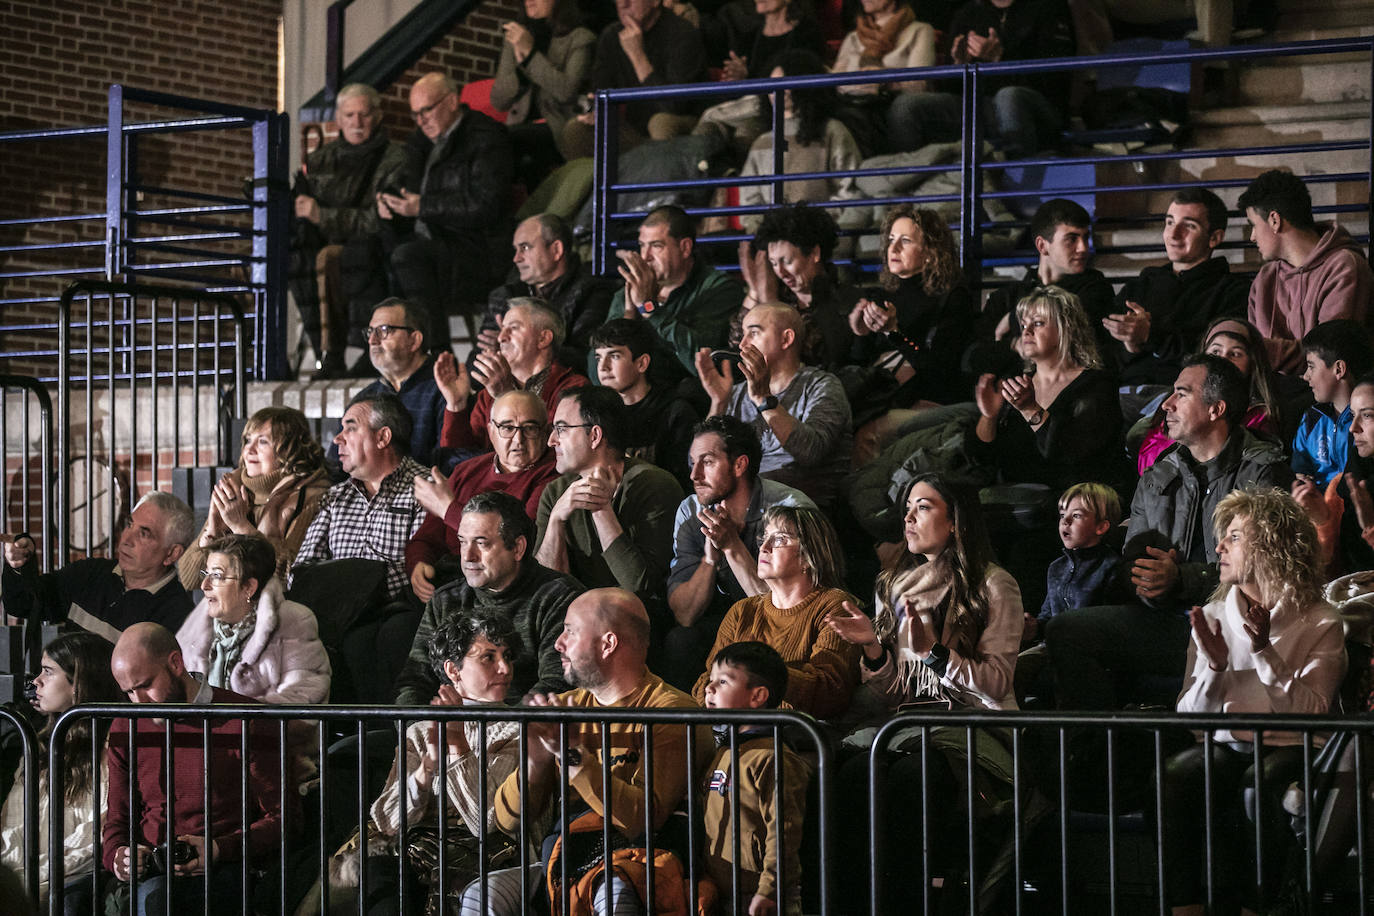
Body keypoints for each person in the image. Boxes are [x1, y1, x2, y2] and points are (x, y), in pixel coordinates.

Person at [1046, 354, 1291, 710]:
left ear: (1215, 409)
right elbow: (1132, 561)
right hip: (1165, 617)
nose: (1167, 404)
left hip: (1234, 624)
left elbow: (1259, 569)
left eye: (1182, 393)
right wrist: (1149, 585)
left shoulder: (1262, 473)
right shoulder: (1159, 475)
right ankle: (1098, 757)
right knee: (1065, 631)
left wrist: (1180, 579)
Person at [825, 473, 1024, 908]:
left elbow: (995, 685)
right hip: (913, 726)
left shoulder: (994, 584)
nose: (909, 518)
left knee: (914, 780)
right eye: (907, 509)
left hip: (974, 731)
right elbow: (900, 692)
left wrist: (935, 653)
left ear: (956, 522)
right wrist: (873, 647)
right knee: (853, 776)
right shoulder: (891, 586)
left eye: (924, 507)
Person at [465, 588, 712, 916]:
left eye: (570, 630)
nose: (558, 643)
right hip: (567, 858)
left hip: (639, 862)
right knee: (480, 897)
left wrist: (573, 755)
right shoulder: (566, 706)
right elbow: (509, 820)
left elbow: (641, 821)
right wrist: (536, 760)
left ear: (608, 644)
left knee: (613, 893)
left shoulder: (671, 712)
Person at [1164, 487, 1346, 913]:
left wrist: (1266, 652)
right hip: (1230, 742)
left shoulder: (1321, 619)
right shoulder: (1211, 618)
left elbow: (1314, 713)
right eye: (1222, 536)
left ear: (1272, 546)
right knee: (1176, 776)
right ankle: (1184, 909)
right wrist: (1214, 668)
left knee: (1257, 786)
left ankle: (1257, 908)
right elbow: (1189, 718)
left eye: (1235, 537)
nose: (1219, 546)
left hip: (1293, 747)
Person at [337, 611, 533, 916]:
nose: (505, 668)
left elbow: (489, 821)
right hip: (416, 849)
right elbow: (387, 820)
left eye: (506, 656)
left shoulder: (518, 728)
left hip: (487, 853)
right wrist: (426, 770)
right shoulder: (420, 730)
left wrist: (458, 745)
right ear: (453, 670)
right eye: (488, 658)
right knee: (379, 871)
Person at [103, 623, 281, 916]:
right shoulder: (126, 724)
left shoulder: (246, 717)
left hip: (228, 868)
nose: (140, 701)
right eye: (129, 692)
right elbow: (117, 821)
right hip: (152, 870)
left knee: (158, 901)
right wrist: (119, 858)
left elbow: (283, 818)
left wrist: (218, 849)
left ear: (175, 662)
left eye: (146, 685)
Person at [663, 415, 815, 689]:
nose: (694, 475)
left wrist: (732, 546)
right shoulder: (691, 511)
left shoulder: (789, 510)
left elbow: (789, 615)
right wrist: (710, 559)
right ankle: (688, 728)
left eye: (707, 462)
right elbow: (685, 614)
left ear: (739, 465)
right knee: (681, 640)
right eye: (692, 463)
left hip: (788, 628)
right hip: (730, 620)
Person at [396, 491, 580, 706]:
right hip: (451, 729)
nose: (468, 556)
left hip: (524, 733)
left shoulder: (559, 597)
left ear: (518, 548)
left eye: (481, 543)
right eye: (463, 542)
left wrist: (499, 734)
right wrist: (417, 727)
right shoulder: (446, 600)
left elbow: (556, 684)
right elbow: (415, 679)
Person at [691, 506, 858, 719]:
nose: (764, 547)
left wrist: (762, 671)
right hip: (735, 731)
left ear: (809, 556)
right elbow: (706, 681)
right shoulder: (742, 611)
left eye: (780, 539)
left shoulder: (833, 607)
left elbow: (830, 693)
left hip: (797, 739)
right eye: (764, 538)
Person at [290, 82, 409, 378]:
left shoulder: (396, 159)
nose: (357, 122)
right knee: (294, 255)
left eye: (364, 115)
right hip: (328, 243)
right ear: (338, 120)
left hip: (374, 245)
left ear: (377, 116)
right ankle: (324, 353)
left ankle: (353, 351)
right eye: (350, 115)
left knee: (338, 257)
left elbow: (381, 219)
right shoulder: (319, 160)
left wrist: (323, 216)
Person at [0, 633, 123, 914]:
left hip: (67, 874)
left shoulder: (111, 750)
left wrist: (29, 873)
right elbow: (15, 825)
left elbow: (94, 838)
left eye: (48, 672)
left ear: (80, 683)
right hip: (32, 869)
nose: (36, 682)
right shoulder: (39, 746)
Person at [383, 72, 514, 325]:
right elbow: (405, 186)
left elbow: (487, 204)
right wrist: (388, 201)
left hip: (474, 247)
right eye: (415, 114)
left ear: (452, 102)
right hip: (433, 238)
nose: (421, 120)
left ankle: (434, 352)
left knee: (408, 256)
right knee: (366, 250)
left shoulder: (485, 136)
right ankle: (376, 349)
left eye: (427, 110)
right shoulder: (421, 143)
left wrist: (423, 206)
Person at [970, 286, 1128, 492]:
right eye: (1024, 324)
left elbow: (1069, 457)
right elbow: (981, 460)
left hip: (1064, 507)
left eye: (1037, 323)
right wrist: (989, 417)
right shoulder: (1015, 380)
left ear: (1066, 328)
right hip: (1012, 501)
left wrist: (1029, 409)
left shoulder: (1097, 385)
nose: (1026, 331)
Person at [406, 391, 559, 602]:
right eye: (507, 428)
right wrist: (419, 563)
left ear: (546, 431)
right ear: (491, 431)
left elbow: (517, 541)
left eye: (530, 428)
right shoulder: (466, 471)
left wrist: (448, 509)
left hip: (504, 589)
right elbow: (425, 538)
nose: (518, 439)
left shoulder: (552, 476)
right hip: (448, 581)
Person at [536, 385, 684, 604]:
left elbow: (639, 586)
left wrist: (601, 508)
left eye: (562, 429)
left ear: (595, 435)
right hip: (575, 615)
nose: (551, 440)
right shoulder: (556, 493)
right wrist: (556, 521)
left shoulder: (654, 485)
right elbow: (545, 590)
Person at [696, 304, 853, 508]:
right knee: (691, 505)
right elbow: (702, 464)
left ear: (786, 339)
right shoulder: (737, 392)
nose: (743, 344)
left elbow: (811, 452)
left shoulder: (822, 385)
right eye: (743, 335)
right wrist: (719, 403)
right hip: (745, 499)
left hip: (799, 505)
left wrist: (764, 399)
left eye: (753, 332)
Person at [1103, 188, 1250, 395]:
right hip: (1120, 398)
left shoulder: (1233, 292)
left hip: (1187, 400)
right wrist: (1130, 345)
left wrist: (1149, 336)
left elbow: (1216, 359)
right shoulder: (1140, 285)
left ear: (1215, 238)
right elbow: (1104, 351)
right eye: (1170, 222)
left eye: (1189, 226)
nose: (1173, 234)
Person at [700, 641, 809, 916]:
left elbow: (783, 831)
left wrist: (769, 888)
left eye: (723, 682)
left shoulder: (773, 757)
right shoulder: (723, 751)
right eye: (710, 680)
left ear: (758, 696)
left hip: (765, 896)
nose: (709, 688)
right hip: (724, 890)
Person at [2, 491, 196, 643]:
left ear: (172, 554)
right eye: (129, 525)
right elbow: (23, 604)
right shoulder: (91, 573)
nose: (127, 539)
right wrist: (20, 564)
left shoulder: (178, 616)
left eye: (144, 534)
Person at [290, 392, 428, 603]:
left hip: (393, 614)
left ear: (383, 437)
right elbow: (303, 570)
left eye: (351, 428)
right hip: (333, 614)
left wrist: (342, 584)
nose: (338, 438)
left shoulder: (425, 489)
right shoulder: (335, 497)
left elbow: (416, 569)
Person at [178, 406, 330, 591]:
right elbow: (190, 579)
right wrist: (213, 530)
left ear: (290, 450)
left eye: (263, 442)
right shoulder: (232, 490)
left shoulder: (311, 497)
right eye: (247, 440)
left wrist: (241, 527)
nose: (249, 449)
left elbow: (291, 575)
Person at [1240, 168, 1374, 374]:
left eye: (1254, 225)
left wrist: (1255, 350)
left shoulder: (1344, 266)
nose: (1252, 237)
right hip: (1271, 396)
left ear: (1274, 220)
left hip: (1324, 400)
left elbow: (1329, 355)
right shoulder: (1264, 279)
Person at [175, 534, 331, 706]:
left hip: (262, 732)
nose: (204, 585)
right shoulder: (197, 625)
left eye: (217, 576)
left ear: (248, 587)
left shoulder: (293, 621)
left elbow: (300, 701)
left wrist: (238, 722)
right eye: (206, 573)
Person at [848, 204, 975, 410]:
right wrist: (860, 335)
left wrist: (894, 333)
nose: (894, 248)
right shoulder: (880, 296)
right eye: (891, 240)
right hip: (877, 400)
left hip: (923, 402)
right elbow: (857, 369)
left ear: (929, 251)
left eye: (905, 241)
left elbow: (940, 373)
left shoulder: (951, 298)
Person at [437, 298, 591, 457]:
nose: (501, 337)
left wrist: (507, 396)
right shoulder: (488, 394)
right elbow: (457, 462)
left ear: (543, 339)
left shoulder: (574, 389)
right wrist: (456, 405)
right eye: (502, 329)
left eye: (513, 328)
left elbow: (554, 456)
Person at [974, 198, 1115, 373]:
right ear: (1042, 246)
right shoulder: (1005, 297)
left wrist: (1015, 318)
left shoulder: (1096, 289)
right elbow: (972, 358)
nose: (1083, 248)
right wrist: (1014, 345)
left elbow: (1067, 328)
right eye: (1071, 239)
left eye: (1086, 238)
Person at [1134, 316, 1285, 475]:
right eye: (1215, 351)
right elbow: (1148, 459)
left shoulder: (1259, 414)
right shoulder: (1175, 402)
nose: (1223, 359)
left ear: (1252, 364)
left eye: (1235, 354)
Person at [1016, 482, 1124, 704]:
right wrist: (1034, 626)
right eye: (1062, 514)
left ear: (1101, 527)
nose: (1065, 521)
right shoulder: (1056, 567)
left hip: (1086, 652)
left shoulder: (1111, 566)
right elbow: (1048, 616)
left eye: (1076, 516)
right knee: (1013, 669)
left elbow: (1109, 625)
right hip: (1050, 647)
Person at [736, 53, 865, 236]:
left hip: (820, 235)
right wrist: (769, 232)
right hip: (773, 238)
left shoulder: (832, 131)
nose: (777, 92)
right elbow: (750, 203)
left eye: (784, 83)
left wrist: (812, 225)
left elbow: (849, 191)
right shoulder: (762, 142)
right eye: (772, 84)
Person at [610, 205, 744, 379]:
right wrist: (629, 315)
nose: (645, 257)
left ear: (685, 248)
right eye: (642, 246)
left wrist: (649, 309)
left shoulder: (720, 289)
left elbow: (702, 366)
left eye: (656, 246)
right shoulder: (629, 291)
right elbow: (597, 369)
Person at [563, 0, 707, 158]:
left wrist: (638, 57)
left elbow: (675, 106)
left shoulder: (682, 33)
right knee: (575, 131)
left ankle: (658, 178)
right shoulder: (612, 36)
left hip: (683, 130)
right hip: (636, 135)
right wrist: (593, 108)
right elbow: (597, 90)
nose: (623, 4)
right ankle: (595, 182)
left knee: (660, 122)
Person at [476, 214, 614, 373]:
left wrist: (524, 348)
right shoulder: (505, 296)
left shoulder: (592, 291)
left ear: (556, 250)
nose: (516, 258)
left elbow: (587, 359)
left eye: (525, 248)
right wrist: (498, 354)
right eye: (516, 250)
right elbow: (477, 367)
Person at [944, 0, 1076, 158]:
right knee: (913, 106)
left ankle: (1019, 176)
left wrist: (1001, 60)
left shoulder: (1049, 7)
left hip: (1040, 108)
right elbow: (950, 90)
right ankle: (914, 180)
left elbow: (1056, 80)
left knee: (1009, 97)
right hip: (982, 109)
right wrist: (959, 66)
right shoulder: (969, 12)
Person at [733, 203, 859, 370]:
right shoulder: (776, 293)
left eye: (787, 261)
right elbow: (736, 351)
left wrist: (768, 300)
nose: (781, 272)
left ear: (814, 253)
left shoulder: (844, 300)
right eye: (773, 263)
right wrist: (754, 290)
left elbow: (815, 359)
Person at [691, 0, 825, 155]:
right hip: (747, 106)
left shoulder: (807, 33)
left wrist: (749, 78)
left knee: (746, 133)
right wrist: (739, 78)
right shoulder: (750, 35)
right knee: (705, 131)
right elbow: (740, 91)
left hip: (780, 111)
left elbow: (806, 83)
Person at [491, 0, 596, 188]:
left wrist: (531, 56)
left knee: (507, 142)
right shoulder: (514, 39)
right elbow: (498, 101)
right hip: (520, 125)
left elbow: (566, 91)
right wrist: (521, 76)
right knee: (491, 143)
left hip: (560, 126)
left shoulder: (580, 38)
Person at [590, 318, 700, 489]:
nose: (603, 367)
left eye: (614, 356)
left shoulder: (675, 412)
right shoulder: (595, 412)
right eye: (599, 358)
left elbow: (683, 482)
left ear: (641, 363)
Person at [346, 298, 449, 468]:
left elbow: (450, 463)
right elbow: (339, 463)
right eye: (370, 331)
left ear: (414, 340)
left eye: (384, 330)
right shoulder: (365, 398)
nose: (372, 340)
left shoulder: (445, 390)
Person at [831, 0, 939, 157]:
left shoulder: (919, 30)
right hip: (854, 104)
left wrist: (884, 80)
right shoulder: (853, 37)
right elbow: (834, 80)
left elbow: (920, 84)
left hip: (890, 105)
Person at [1295, 373, 1374, 576]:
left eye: (1366, 415)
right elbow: (1331, 570)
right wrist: (1322, 519)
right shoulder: (1345, 486)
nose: (1353, 428)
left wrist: (1371, 528)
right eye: (1352, 415)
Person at [1291, 319, 1374, 485]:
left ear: (1339, 369)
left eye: (1311, 366)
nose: (1306, 376)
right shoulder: (1311, 419)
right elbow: (1299, 466)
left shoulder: (1364, 427)